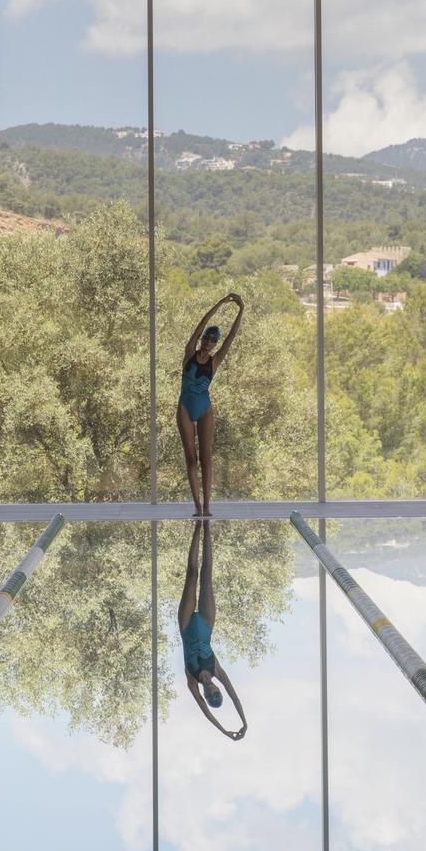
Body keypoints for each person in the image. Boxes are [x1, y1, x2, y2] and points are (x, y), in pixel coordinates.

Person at [178, 519, 246, 740]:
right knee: (207, 573)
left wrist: (225, 731)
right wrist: (244, 722)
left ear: (205, 696)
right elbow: (235, 697)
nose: (209, 691)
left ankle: (197, 528)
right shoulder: (218, 672)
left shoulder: (192, 679)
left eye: (208, 695)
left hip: (187, 625)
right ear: (218, 689)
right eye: (215, 692)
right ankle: (205, 525)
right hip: (207, 624)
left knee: (192, 574)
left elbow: (205, 712)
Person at [177, 292, 243, 516]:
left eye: (213, 340)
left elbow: (232, 337)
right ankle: (197, 506)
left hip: (204, 408)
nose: (209, 342)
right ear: (202, 338)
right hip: (185, 407)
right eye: (207, 338)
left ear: (215, 344)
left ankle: (207, 506)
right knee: (190, 457)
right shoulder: (189, 354)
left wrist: (241, 309)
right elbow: (201, 322)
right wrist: (222, 303)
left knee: (206, 458)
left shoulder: (215, 360)